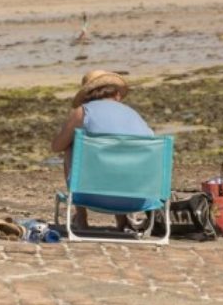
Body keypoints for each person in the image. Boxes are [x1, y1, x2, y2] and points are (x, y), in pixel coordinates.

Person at [51, 70, 153, 229]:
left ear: (87, 95)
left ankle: (81, 217)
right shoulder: (134, 115)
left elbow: (56, 146)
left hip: (90, 195)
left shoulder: (83, 112)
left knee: (70, 146)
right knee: (124, 155)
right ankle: (122, 218)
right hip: (137, 197)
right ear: (117, 94)